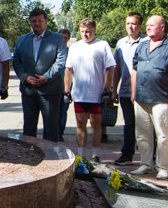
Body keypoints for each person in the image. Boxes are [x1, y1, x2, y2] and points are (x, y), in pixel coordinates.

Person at [130, 15, 168, 180]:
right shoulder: (142, 46)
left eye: (152, 25)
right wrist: (133, 92)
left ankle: (163, 167)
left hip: (161, 98)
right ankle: (145, 164)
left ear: (162, 27)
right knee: (142, 134)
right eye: (147, 25)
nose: (148, 28)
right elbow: (135, 69)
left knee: (162, 135)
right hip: (141, 97)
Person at [12, 8, 67, 141]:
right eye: (34, 21)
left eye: (40, 20)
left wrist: (46, 77)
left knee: (51, 128)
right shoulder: (21, 40)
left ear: (45, 21)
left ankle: (51, 153)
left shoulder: (57, 39)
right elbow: (16, 61)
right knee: (28, 127)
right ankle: (29, 152)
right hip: (29, 90)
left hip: (50, 90)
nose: (37, 23)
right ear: (30, 22)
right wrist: (25, 77)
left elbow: (61, 61)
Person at [64, 18, 115, 162]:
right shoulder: (75, 47)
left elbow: (110, 68)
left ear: (94, 30)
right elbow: (68, 69)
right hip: (80, 94)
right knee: (80, 124)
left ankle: (96, 154)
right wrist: (66, 90)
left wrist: (107, 89)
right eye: (82, 31)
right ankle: (80, 154)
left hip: (96, 93)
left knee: (95, 124)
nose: (85, 34)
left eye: (88, 31)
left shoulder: (102, 45)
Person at [112, 12, 146, 165]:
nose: (130, 27)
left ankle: (150, 157)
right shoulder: (121, 43)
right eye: (127, 23)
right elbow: (117, 67)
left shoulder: (147, 42)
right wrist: (114, 89)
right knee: (129, 124)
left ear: (140, 25)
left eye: (133, 23)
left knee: (146, 125)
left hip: (143, 91)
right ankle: (127, 154)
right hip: (125, 91)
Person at [57, 29, 71, 141]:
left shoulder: (71, 52)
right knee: (53, 112)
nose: (63, 40)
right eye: (61, 38)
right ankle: (54, 132)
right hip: (54, 87)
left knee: (63, 111)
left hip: (67, 88)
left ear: (68, 39)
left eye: (65, 38)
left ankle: (60, 133)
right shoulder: (53, 52)